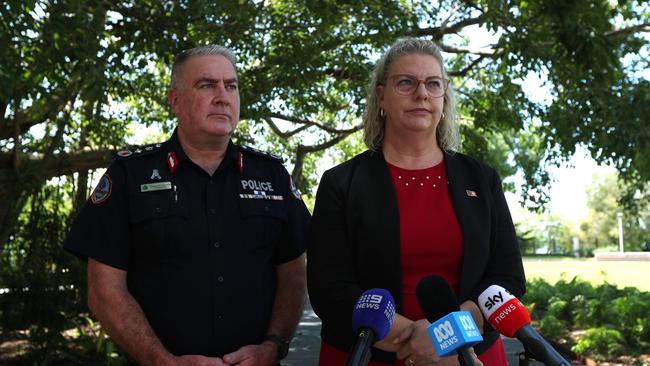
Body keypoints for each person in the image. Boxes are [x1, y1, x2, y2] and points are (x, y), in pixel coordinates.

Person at [64, 45, 310, 366]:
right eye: (207, 85)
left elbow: (293, 274)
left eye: (231, 85)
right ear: (175, 101)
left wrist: (274, 345)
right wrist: (161, 361)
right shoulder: (129, 175)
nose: (222, 95)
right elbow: (104, 291)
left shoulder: (271, 175)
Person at [307, 37, 526, 365]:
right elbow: (330, 289)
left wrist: (448, 341)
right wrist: (429, 349)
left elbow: (507, 278)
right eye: (406, 82)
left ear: (444, 97)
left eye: (433, 84)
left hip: (470, 357)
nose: (421, 93)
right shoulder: (341, 183)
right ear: (381, 95)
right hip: (368, 354)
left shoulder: (482, 179)